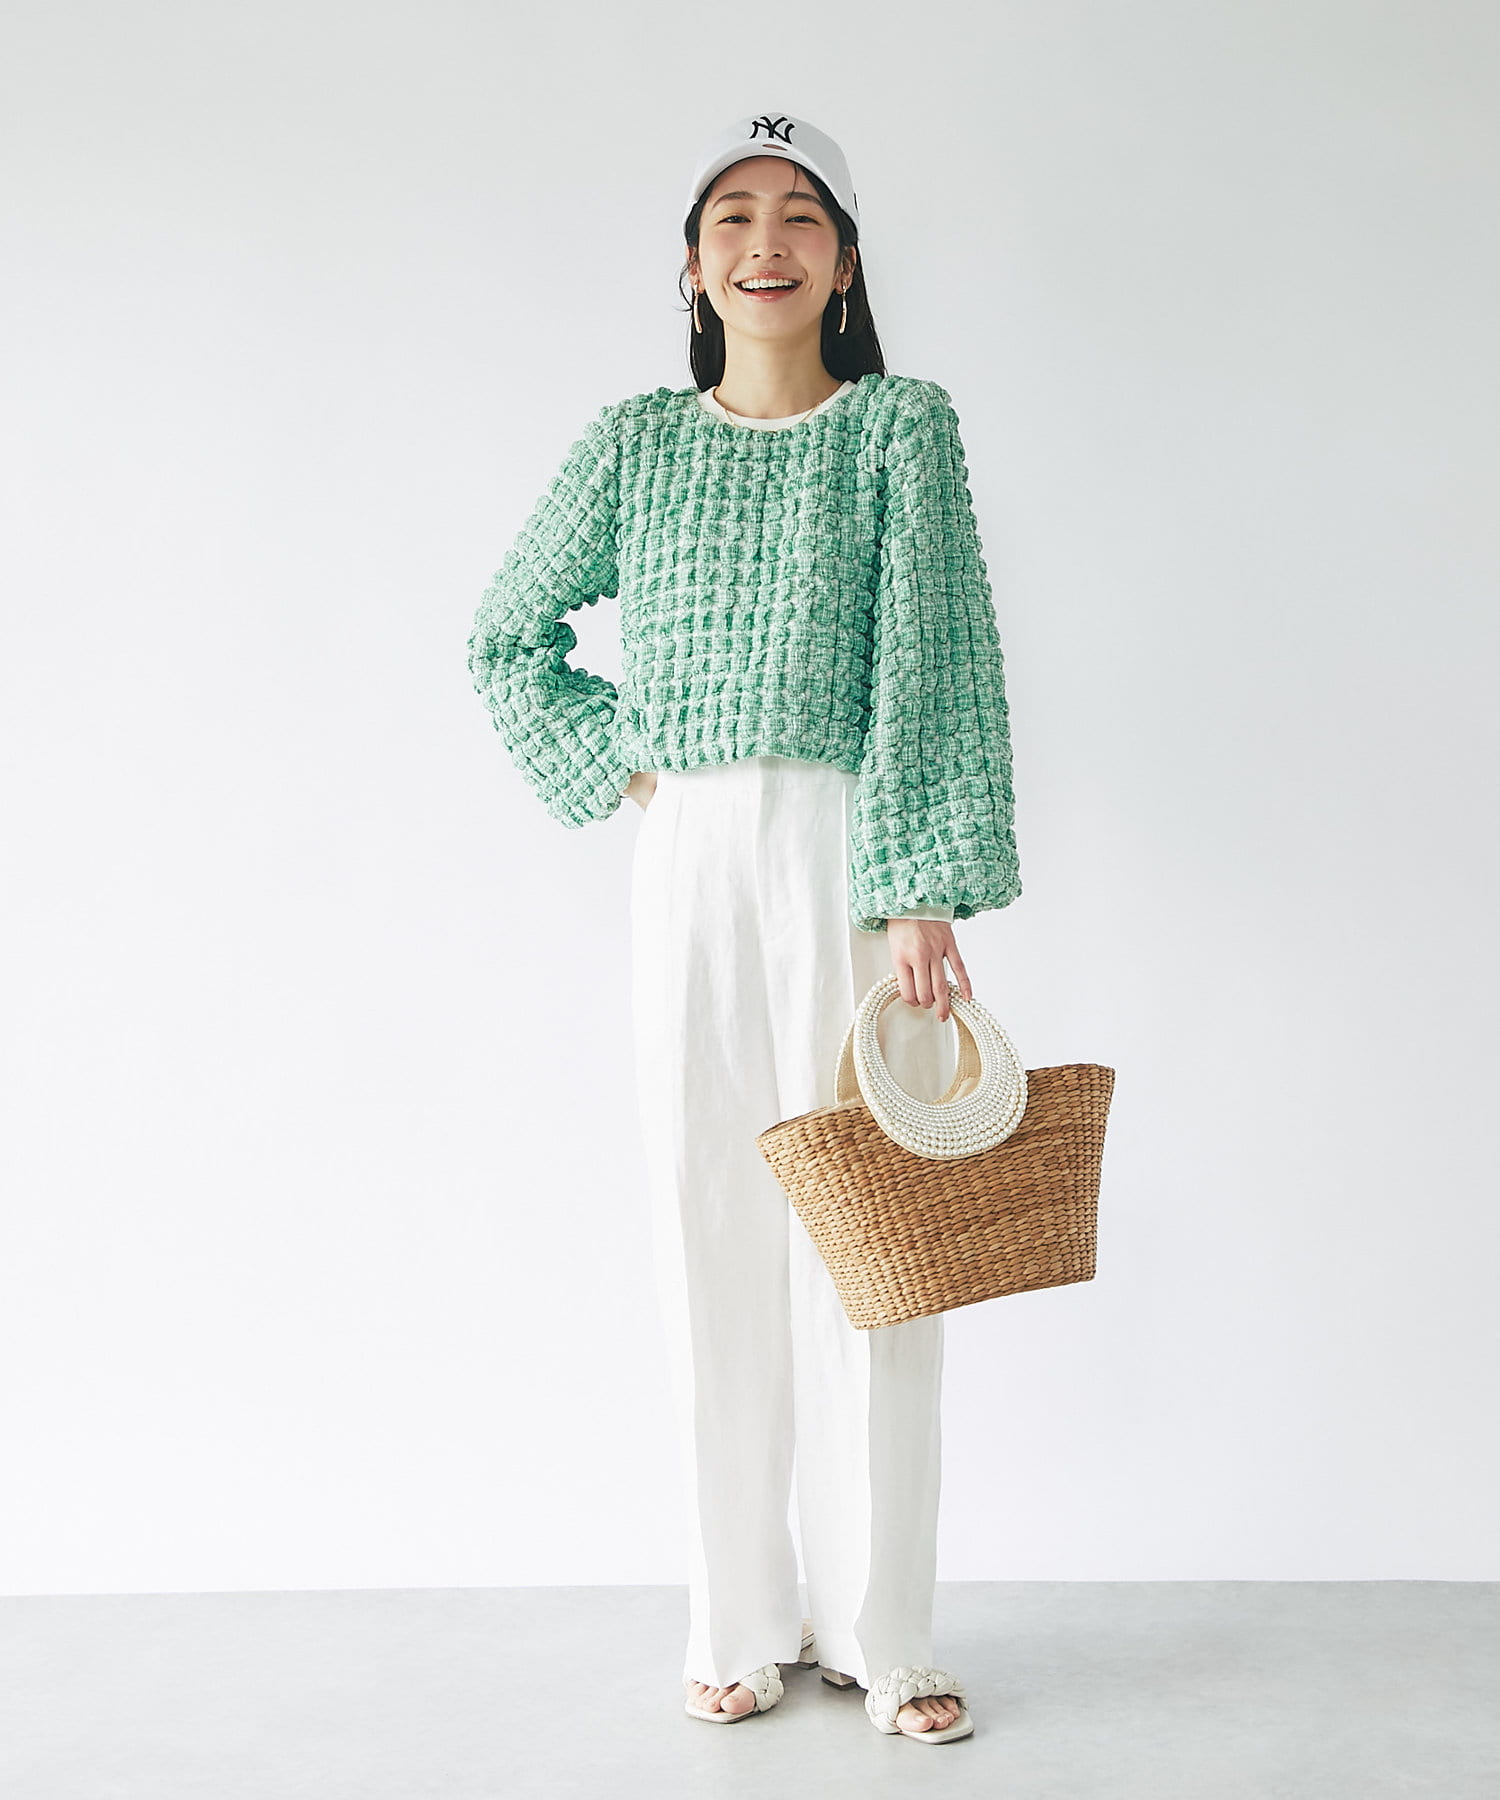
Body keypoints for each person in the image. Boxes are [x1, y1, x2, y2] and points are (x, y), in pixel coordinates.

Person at [466, 111, 1020, 1745]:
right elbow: (505, 635)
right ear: (693, 264)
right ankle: (735, 1618)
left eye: (798, 216)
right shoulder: (634, 444)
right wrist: (629, 760)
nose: (763, 243)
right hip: (694, 857)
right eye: (731, 216)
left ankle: (883, 1634)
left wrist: (922, 885)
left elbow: (939, 654)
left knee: (873, 1239)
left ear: (844, 262)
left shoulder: (899, 429)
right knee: (710, 1220)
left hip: (853, 851)